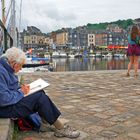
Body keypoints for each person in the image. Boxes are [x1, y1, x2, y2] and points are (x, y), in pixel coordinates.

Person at [0, 47, 80, 138]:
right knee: (39, 98)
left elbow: (9, 88)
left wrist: (21, 89)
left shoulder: (5, 68)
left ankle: (46, 120)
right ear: (14, 64)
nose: (21, 68)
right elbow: (3, 99)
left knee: (39, 91)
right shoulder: (1, 72)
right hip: (5, 109)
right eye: (21, 65)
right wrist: (21, 92)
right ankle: (60, 129)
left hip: (8, 104)